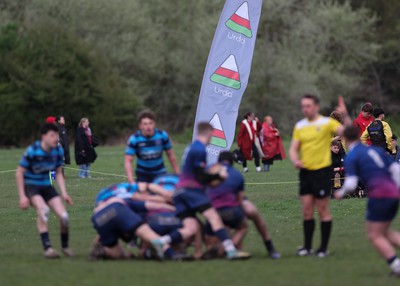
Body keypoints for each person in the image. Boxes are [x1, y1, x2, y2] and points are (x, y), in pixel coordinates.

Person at [157, 122, 250, 260]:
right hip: (191, 191)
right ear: (209, 133)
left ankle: (162, 241)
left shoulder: (191, 147)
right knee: (214, 217)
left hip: (179, 192)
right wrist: (219, 176)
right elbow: (200, 176)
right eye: (213, 135)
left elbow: (196, 172)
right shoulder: (200, 149)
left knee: (190, 228)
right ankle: (231, 251)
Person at [289, 94, 350, 257]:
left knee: (323, 210)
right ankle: (307, 247)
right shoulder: (300, 126)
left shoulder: (327, 123)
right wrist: (295, 160)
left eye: (308, 105)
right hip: (305, 173)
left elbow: (350, 134)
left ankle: (323, 248)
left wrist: (346, 115)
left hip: (322, 172)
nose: (305, 109)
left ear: (316, 106)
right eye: (303, 106)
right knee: (307, 211)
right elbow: (293, 148)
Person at [335, 126, 400, 276]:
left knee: (374, 235)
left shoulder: (352, 156)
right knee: (384, 232)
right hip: (393, 193)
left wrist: (340, 193)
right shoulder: (375, 150)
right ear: (359, 135)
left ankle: (397, 266)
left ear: (344, 138)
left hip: (379, 195)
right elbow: (396, 170)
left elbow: (351, 184)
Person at [15, 123, 74, 258]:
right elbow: (19, 173)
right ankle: (48, 249)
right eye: (52, 135)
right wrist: (22, 196)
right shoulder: (32, 150)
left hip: (47, 187)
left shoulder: (58, 151)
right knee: (43, 210)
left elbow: (58, 172)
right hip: (31, 187)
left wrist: (64, 193)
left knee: (65, 217)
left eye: (57, 135)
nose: (56, 138)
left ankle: (65, 247)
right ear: (44, 137)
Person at [89, 182, 176, 260]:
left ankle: (102, 250)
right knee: (151, 236)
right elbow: (151, 204)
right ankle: (173, 255)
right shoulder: (129, 195)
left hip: (98, 217)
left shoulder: (103, 194)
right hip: (117, 207)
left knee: (117, 255)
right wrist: (173, 208)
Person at [204, 152, 248, 254]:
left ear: (218, 161)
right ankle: (231, 248)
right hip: (231, 209)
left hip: (212, 210)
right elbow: (240, 200)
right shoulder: (237, 174)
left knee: (212, 232)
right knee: (243, 226)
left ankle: (213, 248)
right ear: (232, 162)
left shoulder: (209, 171)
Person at [125, 110, 180, 191]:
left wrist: (177, 175)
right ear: (140, 126)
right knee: (143, 198)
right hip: (142, 174)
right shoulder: (134, 139)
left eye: (151, 123)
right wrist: (131, 181)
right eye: (145, 124)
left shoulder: (162, 136)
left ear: (154, 124)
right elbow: (128, 161)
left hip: (160, 173)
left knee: (162, 196)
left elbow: (171, 156)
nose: (148, 126)